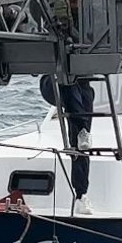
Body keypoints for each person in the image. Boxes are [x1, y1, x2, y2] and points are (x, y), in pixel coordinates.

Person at [40, 74, 96, 215]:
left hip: (81, 84)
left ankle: (81, 195)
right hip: (53, 80)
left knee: (86, 96)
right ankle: (82, 129)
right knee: (70, 87)